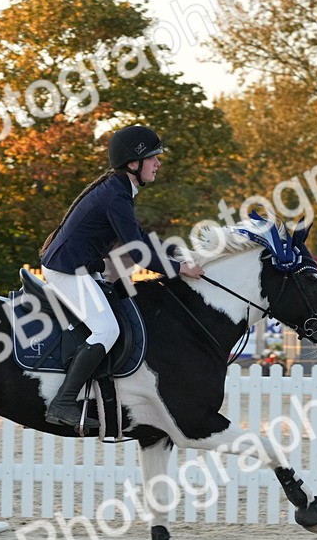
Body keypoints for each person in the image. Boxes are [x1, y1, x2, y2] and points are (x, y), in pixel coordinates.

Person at [39, 124, 204, 430]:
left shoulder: (119, 190)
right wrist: (180, 269)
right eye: (153, 157)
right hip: (67, 270)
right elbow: (138, 252)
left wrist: (178, 253)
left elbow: (138, 237)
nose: (158, 163)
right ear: (133, 163)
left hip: (79, 266)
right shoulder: (115, 196)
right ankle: (63, 402)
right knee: (106, 330)